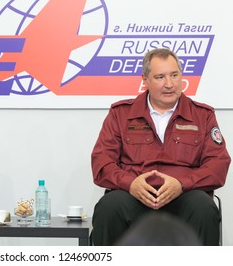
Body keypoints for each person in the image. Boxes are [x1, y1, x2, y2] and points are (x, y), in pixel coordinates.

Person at [91, 48, 230, 246]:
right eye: (160, 77)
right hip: (134, 199)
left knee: (203, 207)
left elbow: (218, 165)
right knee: (109, 207)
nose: (169, 84)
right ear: (145, 80)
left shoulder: (202, 115)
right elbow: (101, 163)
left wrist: (182, 184)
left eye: (174, 75)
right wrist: (131, 184)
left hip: (183, 199)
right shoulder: (120, 114)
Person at [115, 211, 202, 246]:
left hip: (185, 193)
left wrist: (182, 184)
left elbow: (214, 173)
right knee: (110, 206)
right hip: (131, 192)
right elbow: (104, 171)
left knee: (203, 210)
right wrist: (129, 184)